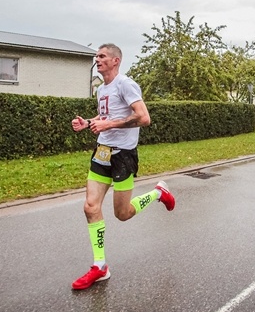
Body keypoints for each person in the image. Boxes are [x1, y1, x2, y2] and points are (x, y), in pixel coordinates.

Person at [70, 43, 176, 290]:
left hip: (123, 156)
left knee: (123, 213)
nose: (97, 59)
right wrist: (88, 122)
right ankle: (100, 266)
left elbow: (144, 117)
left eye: (102, 56)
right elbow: (105, 117)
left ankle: (158, 193)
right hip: (102, 152)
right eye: (96, 56)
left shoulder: (125, 84)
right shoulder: (101, 89)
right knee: (90, 207)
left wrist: (109, 126)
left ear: (115, 60)